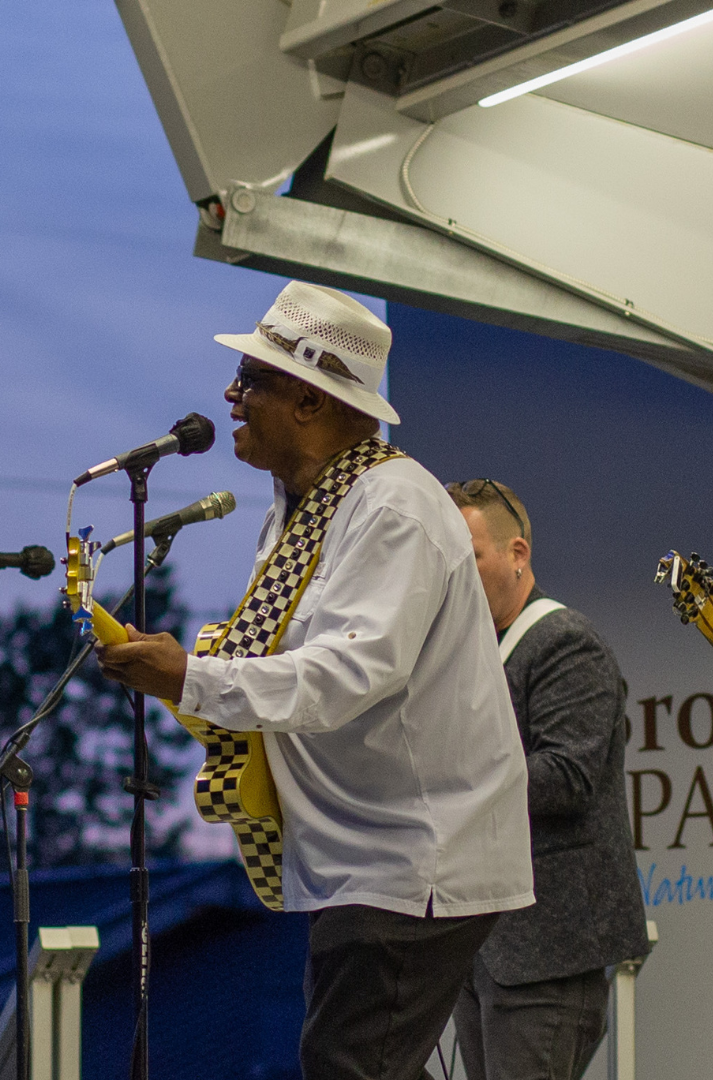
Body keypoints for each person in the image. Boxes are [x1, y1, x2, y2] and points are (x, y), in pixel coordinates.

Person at [97, 281, 534, 1080]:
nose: (230, 395)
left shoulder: (392, 505)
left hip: (412, 858)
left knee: (346, 1065)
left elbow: (345, 675)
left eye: (252, 380)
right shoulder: (306, 506)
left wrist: (191, 677)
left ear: (308, 398)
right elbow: (285, 664)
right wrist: (185, 676)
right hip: (364, 855)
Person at [445, 479, 650, 1080]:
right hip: (483, 946)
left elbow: (565, 777)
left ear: (517, 554)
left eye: (470, 556)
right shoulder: (473, 649)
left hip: (548, 949)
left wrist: (444, 782)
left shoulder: (565, 642)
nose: (455, 574)